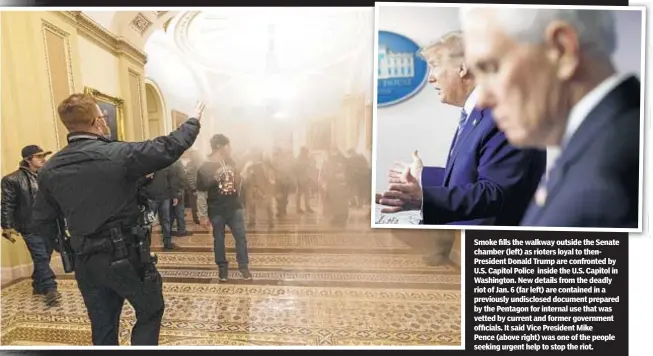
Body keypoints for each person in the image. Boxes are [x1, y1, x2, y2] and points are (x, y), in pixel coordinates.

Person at [31, 93, 204, 345]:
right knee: (150, 310)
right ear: (96, 121)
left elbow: (43, 222)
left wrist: (72, 246)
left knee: (102, 326)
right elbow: (168, 147)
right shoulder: (119, 154)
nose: (105, 121)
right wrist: (193, 120)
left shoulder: (49, 169)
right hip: (126, 256)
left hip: (85, 262)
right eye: (103, 117)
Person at [460, 8, 640, 228]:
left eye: (491, 68)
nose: (482, 100)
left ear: (562, 50)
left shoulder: (611, 181)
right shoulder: (602, 143)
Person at [378, 30, 546, 226]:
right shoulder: (479, 114)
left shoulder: (504, 115)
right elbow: (471, 178)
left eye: (434, 66)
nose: (430, 78)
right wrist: (422, 175)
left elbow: (495, 193)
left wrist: (423, 198)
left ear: (462, 68)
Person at [1, 145, 61, 306]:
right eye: (39, 156)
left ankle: (38, 284)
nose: (43, 159)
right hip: (29, 226)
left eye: (44, 156)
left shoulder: (47, 176)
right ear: (28, 160)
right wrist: (7, 226)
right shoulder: (11, 179)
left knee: (43, 258)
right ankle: (50, 289)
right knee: (41, 256)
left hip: (49, 225)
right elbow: (7, 204)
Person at [197, 134, 252, 282]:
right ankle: (222, 267)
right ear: (220, 147)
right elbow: (201, 193)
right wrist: (202, 215)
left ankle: (243, 266)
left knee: (241, 238)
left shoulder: (231, 162)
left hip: (234, 207)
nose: (230, 148)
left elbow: (237, 183)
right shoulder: (204, 167)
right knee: (219, 239)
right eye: (228, 145)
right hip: (216, 210)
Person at [144, 164, 182, 250]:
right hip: (151, 197)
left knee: (166, 221)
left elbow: (172, 180)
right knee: (148, 222)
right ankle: (146, 244)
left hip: (165, 197)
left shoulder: (166, 163)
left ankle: (167, 242)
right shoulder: (147, 163)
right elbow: (140, 180)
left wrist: (174, 195)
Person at [169, 160, 192, 237]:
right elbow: (182, 176)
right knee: (180, 210)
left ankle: (168, 229)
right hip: (178, 189)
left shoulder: (167, 161)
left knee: (171, 211)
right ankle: (181, 230)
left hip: (169, 190)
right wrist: (185, 186)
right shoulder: (177, 162)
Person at [294, 146, 314, 213]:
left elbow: (312, 167)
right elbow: (296, 170)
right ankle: (298, 208)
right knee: (299, 194)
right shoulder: (298, 160)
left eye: (307, 152)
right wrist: (304, 166)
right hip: (300, 179)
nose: (306, 153)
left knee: (307, 194)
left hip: (308, 178)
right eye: (305, 152)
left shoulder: (308, 159)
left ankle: (307, 206)